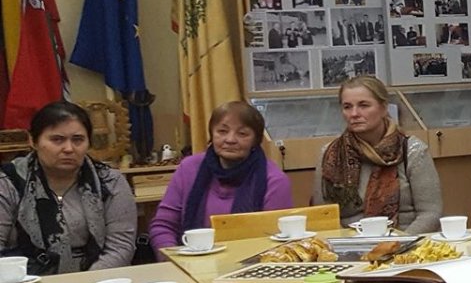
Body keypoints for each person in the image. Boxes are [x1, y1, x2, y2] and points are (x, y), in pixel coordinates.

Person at [0, 102, 137, 274]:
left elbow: (120, 247)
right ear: (33, 141)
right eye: (57, 140)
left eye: (78, 140)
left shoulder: (109, 181)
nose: (69, 149)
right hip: (24, 281)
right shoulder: (8, 181)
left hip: (98, 280)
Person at [149, 101, 294, 250]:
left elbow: (278, 242)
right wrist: (174, 258)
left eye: (242, 134)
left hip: (251, 261)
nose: (230, 140)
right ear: (212, 134)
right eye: (222, 131)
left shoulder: (274, 180)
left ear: (256, 140)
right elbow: (163, 226)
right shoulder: (188, 168)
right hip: (188, 259)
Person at [318, 75, 443, 234]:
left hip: (405, 240)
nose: (354, 113)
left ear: (383, 108)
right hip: (349, 243)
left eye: (364, 105)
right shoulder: (330, 154)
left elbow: (430, 214)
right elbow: (323, 216)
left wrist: (398, 243)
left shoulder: (412, 151)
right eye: (347, 107)